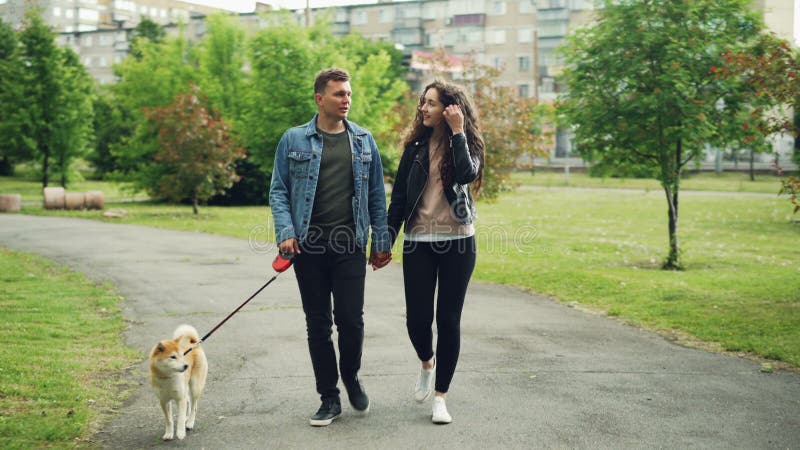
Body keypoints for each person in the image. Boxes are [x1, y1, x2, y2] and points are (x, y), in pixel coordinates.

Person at [269, 67, 392, 427]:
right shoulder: (293, 140)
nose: (347, 100)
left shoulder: (364, 141)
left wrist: (380, 242)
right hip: (308, 249)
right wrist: (285, 232)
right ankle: (329, 397)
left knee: (351, 321)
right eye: (339, 94)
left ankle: (350, 375)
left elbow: (375, 197)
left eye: (349, 93)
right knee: (318, 325)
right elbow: (279, 190)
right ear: (320, 98)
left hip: (349, 245)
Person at [387, 80, 485, 424]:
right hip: (418, 241)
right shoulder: (414, 147)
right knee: (417, 319)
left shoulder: (467, 142)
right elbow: (399, 198)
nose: (423, 108)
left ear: (449, 108)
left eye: (430, 103)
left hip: (458, 241)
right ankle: (427, 364)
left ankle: (441, 397)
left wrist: (458, 133)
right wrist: (386, 240)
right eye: (423, 103)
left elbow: (466, 173)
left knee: (448, 320)